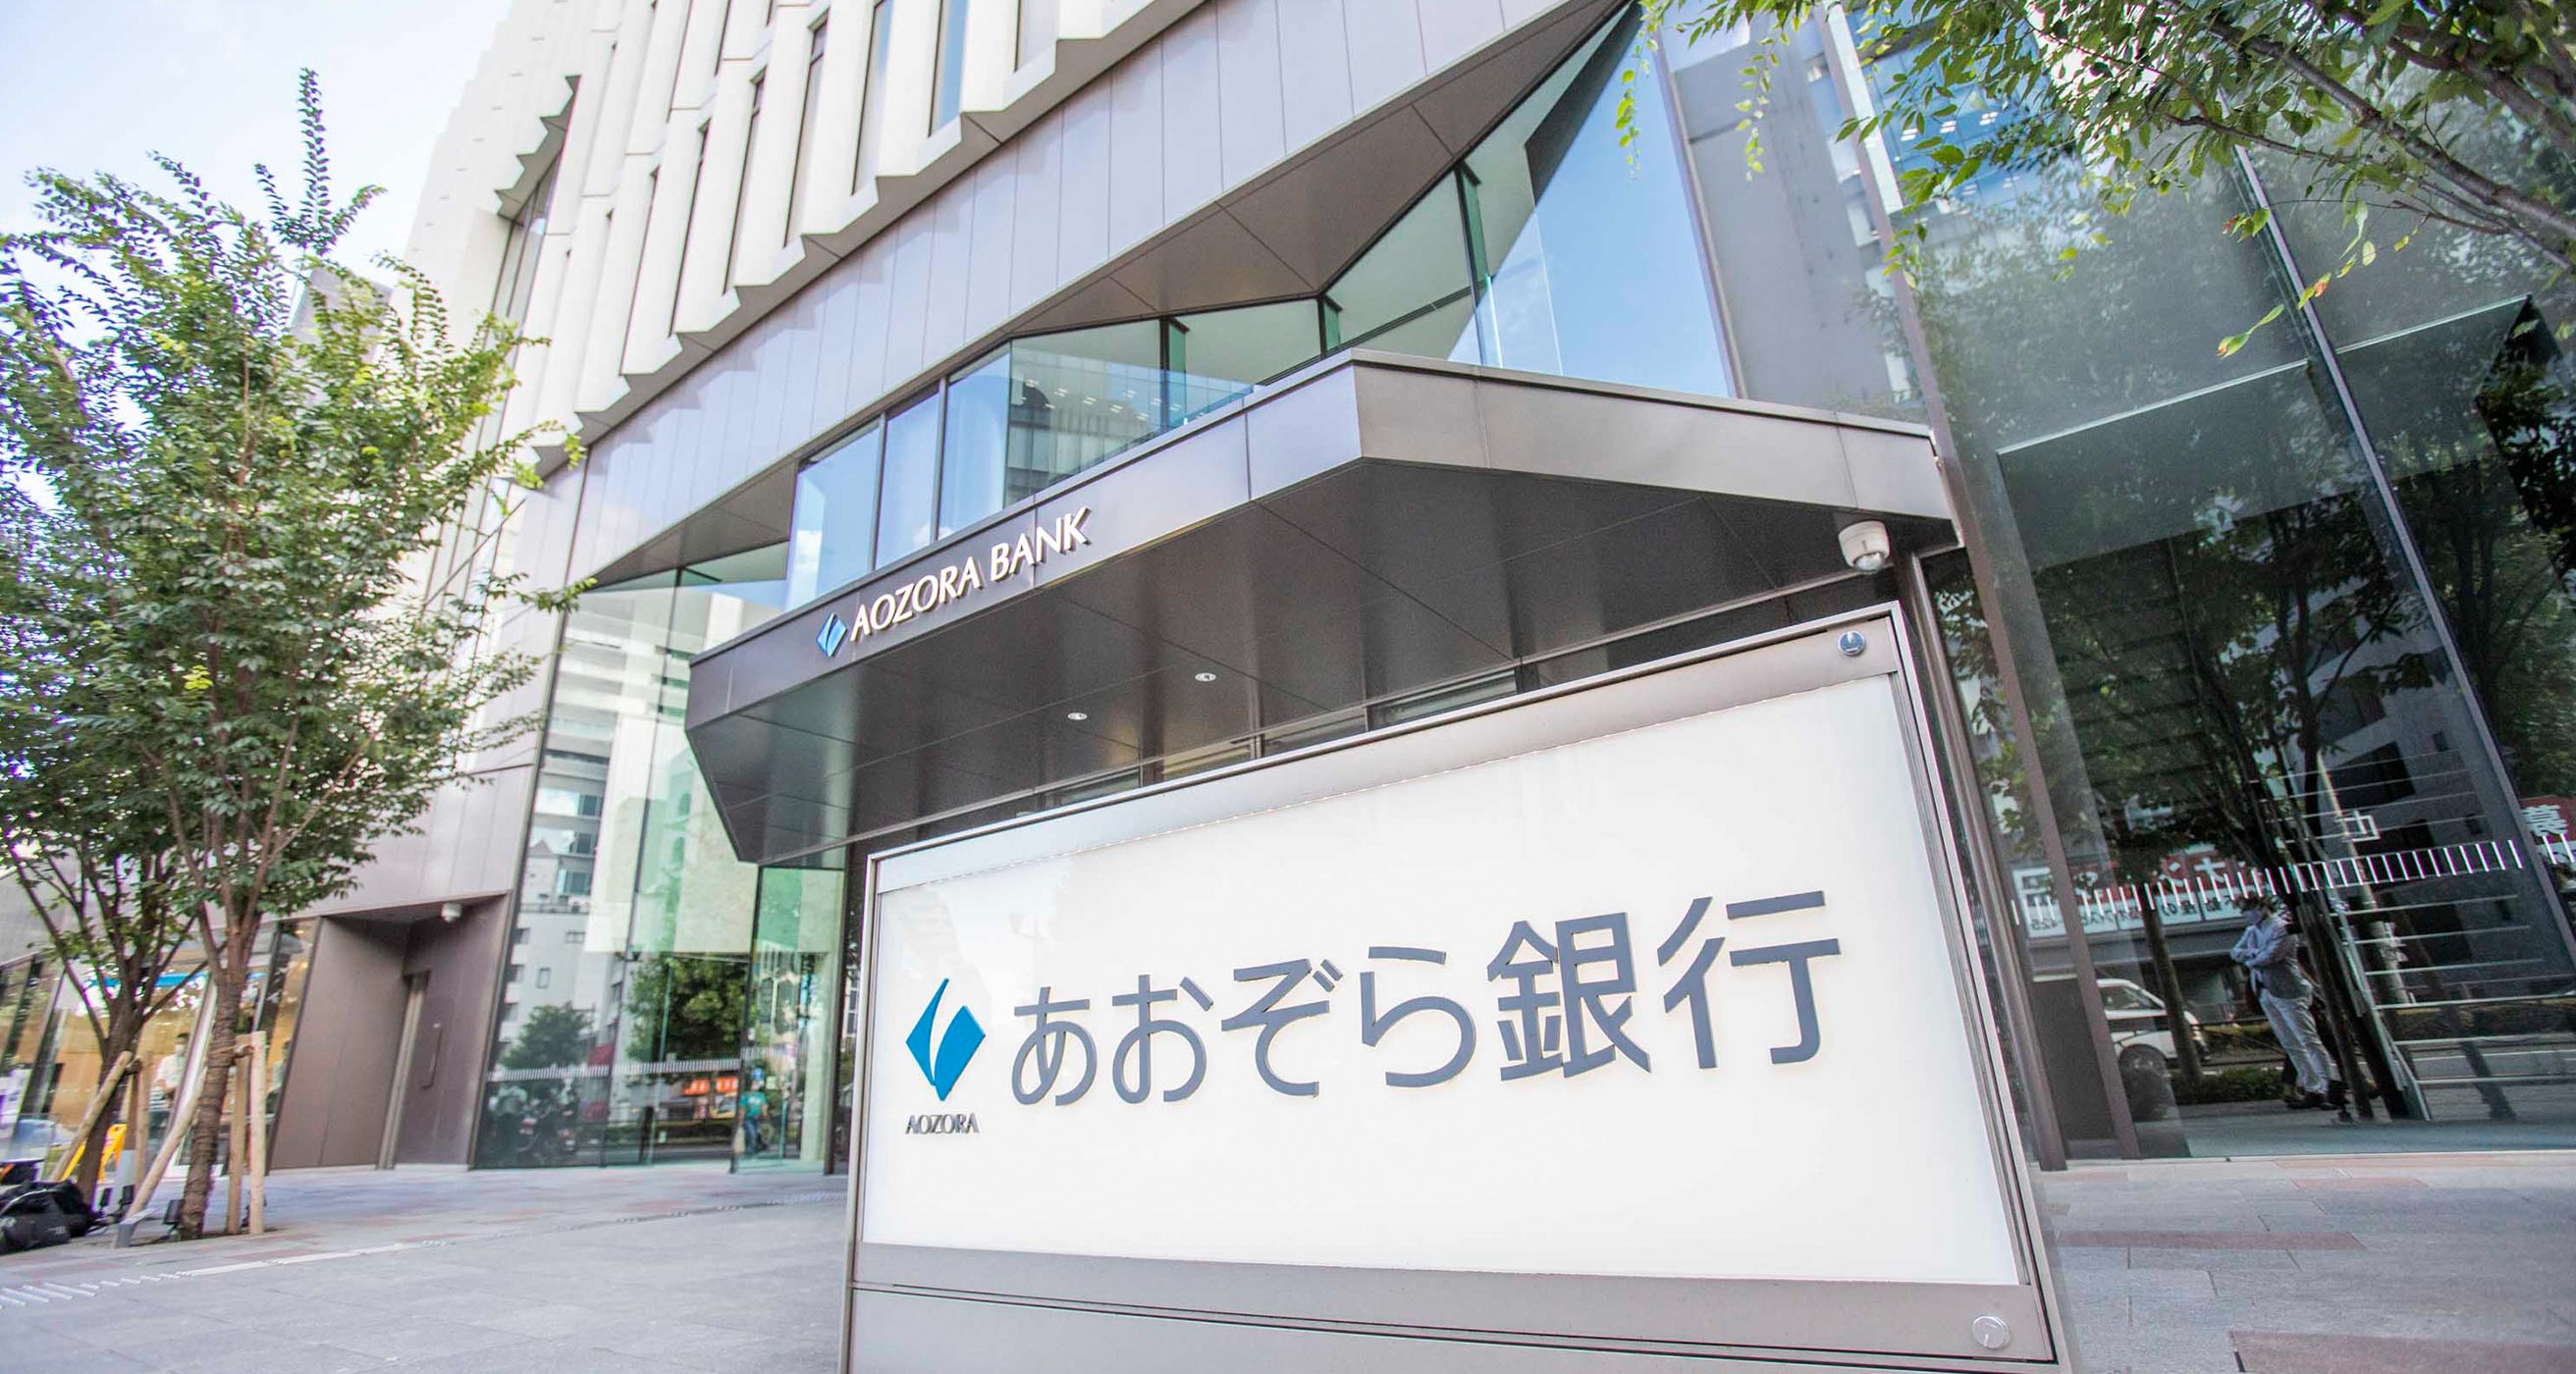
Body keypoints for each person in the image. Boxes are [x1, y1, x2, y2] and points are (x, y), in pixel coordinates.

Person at [2229, 902, 2339, 1111]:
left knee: (2308, 1039)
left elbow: (2271, 957)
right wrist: (2254, 954)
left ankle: (2328, 1088)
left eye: (2247, 910)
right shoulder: (2252, 931)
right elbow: (2235, 952)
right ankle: (2312, 1088)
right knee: (2291, 1043)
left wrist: (2250, 957)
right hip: (2265, 991)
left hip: (2288, 990)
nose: (2246, 915)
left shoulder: (2282, 928)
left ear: (2261, 908)